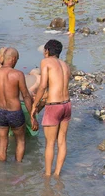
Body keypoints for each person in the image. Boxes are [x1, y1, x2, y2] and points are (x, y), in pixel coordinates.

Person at [31, 39, 72, 176]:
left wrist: (34, 106)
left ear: (47, 51)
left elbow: (43, 86)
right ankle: (57, 174)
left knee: (50, 143)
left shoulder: (46, 62)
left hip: (54, 106)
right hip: (66, 104)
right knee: (62, 141)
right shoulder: (65, 65)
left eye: (44, 50)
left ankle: (48, 175)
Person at [0, 48, 34, 162]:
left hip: (1, 111)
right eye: (17, 59)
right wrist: (32, 116)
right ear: (13, 59)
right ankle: (18, 169)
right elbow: (26, 96)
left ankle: (2, 173)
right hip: (15, 112)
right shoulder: (18, 74)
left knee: (2, 143)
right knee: (21, 140)